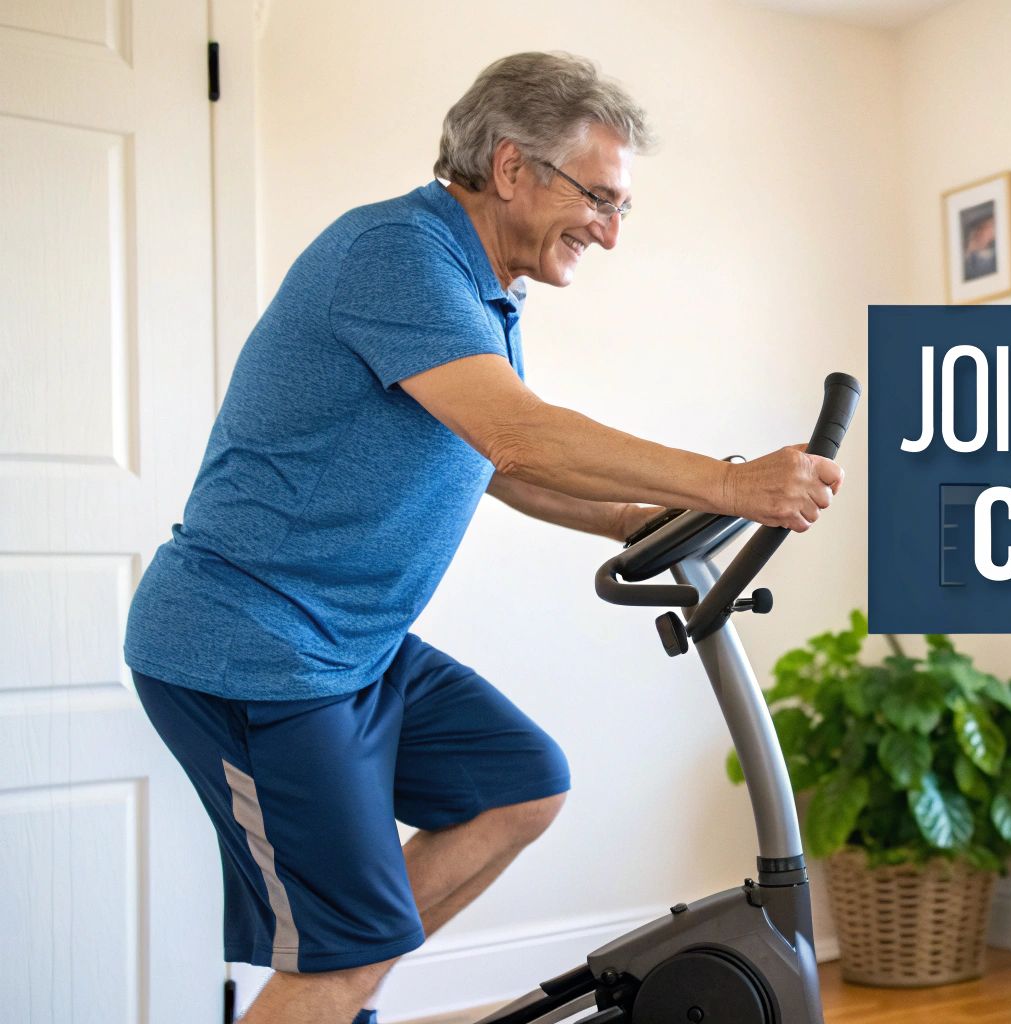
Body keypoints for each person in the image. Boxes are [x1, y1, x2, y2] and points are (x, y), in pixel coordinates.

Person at [121, 52, 843, 1024]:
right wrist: (728, 483)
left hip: (352, 645)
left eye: (622, 207)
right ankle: (334, 985)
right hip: (253, 649)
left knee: (517, 785)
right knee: (340, 956)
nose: (610, 230)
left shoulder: (481, 286)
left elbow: (495, 461)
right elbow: (517, 433)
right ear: (510, 167)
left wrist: (634, 520)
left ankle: (341, 984)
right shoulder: (396, 254)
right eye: (598, 198)